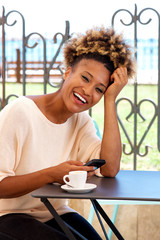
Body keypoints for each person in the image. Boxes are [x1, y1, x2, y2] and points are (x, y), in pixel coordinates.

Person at [0, 27, 135, 240]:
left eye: (100, 89)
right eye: (85, 78)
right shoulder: (20, 112)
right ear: (67, 72)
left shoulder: (82, 122)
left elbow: (109, 168)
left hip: (53, 212)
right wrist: (52, 174)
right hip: (6, 215)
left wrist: (111, 100)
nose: (88, 91)